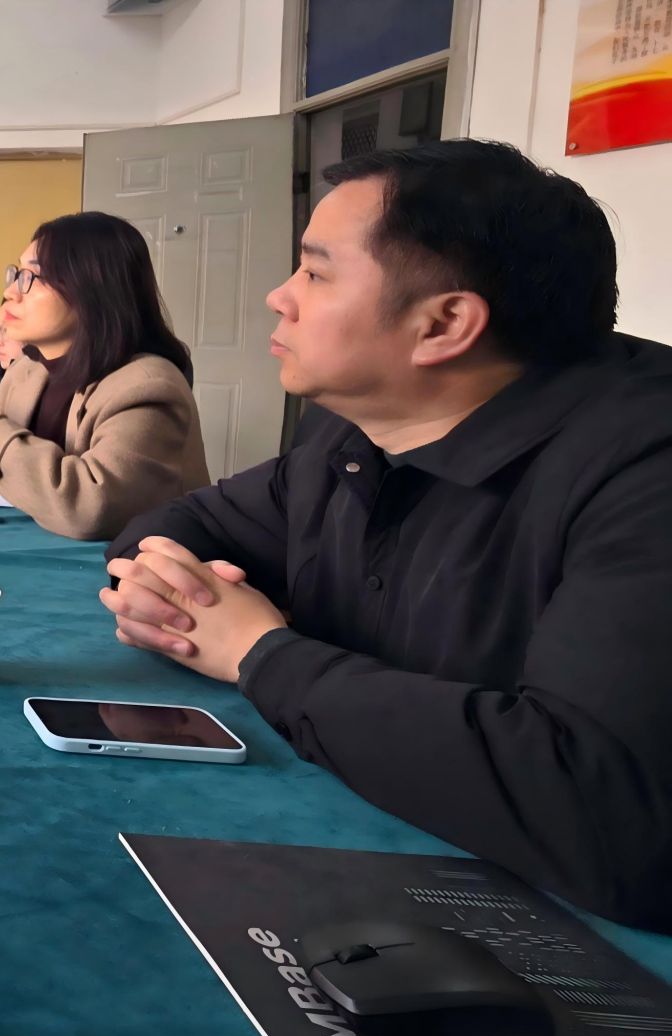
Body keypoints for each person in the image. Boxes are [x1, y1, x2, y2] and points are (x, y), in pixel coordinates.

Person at [97, 139, 672, 931]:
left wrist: (261, 654)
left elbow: (606, 816)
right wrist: (174, 594)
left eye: (315, 273)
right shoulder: (354, 435)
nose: (278, 296)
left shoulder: (641, 471)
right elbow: (170, 526)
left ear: (444, 324)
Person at [0, 213, 208, 541]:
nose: (11, 292)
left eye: (32, 277)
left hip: (128, 566)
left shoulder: (147, 386)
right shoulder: (28, 370)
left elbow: (92, 508)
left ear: (93, 288)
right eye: (16, 274)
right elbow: (5, 451)